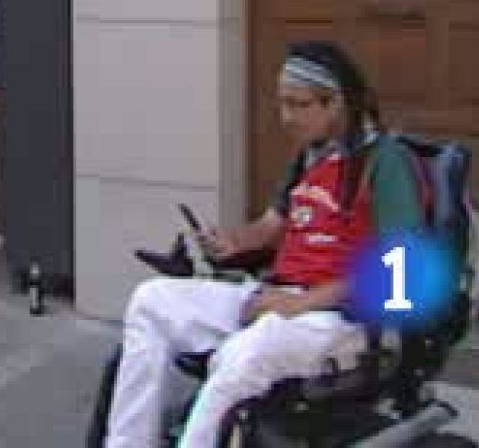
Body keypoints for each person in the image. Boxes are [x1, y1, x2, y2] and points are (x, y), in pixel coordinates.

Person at [99, 41, 425, 448]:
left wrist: (300, 304)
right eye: (282, 104)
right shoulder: (312, 156)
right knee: (151, 301)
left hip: (342, 318)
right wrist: (234, 242)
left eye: (298, 104)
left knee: (244, 354)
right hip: (279, 298)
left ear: (335, 103)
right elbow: (275, 224)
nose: (286, 117)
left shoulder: (385, 162)